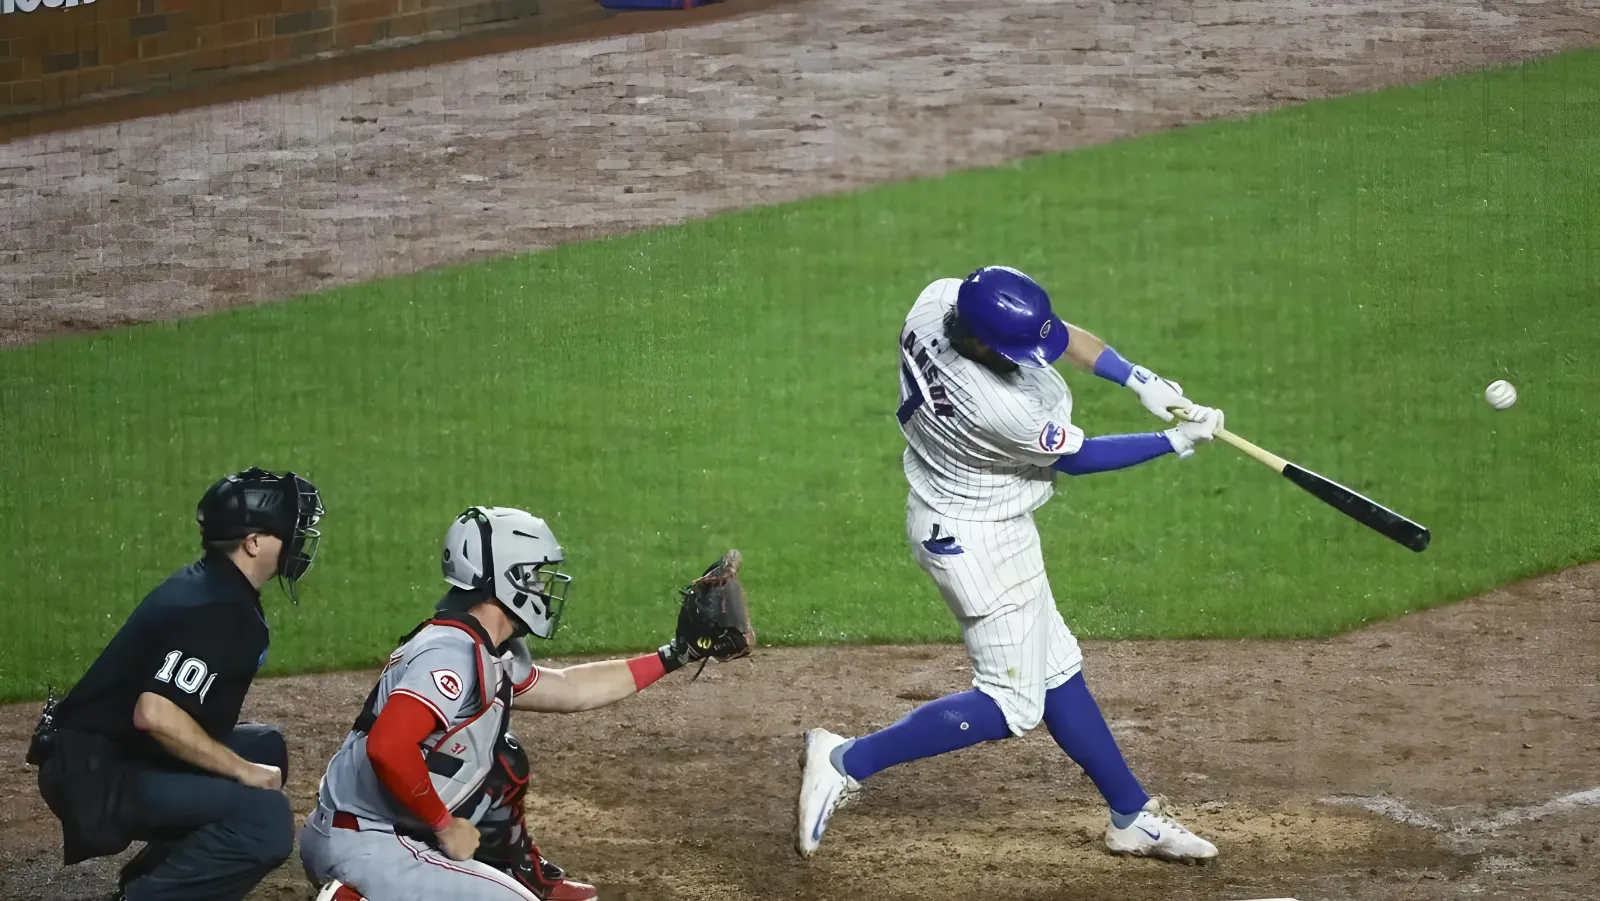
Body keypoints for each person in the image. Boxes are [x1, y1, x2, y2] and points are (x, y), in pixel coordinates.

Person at [795, 266, 1225, 862]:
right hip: (975, 542)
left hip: (978, 516)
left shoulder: (937, 300)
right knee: (1011, 703)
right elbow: (1076, 458)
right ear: (977, 343)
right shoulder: (997, 408)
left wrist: (1138, 378)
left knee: (1056, 671)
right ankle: (845, 761)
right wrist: (1172, 441)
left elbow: (1053, 333)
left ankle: (1130, 815)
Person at [303, 505, 750, 901]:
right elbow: (388, 746)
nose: (543, 588)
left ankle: (502, 868)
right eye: (534, 575)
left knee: (503, 758)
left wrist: (675, 655)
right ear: (506, 579)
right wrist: (443, 824)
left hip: (373, 831)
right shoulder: (451, 653)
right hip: (369, 841)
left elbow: (571, 690)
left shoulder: (484, 648)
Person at [26, 466, 326, 901]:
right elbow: (155, 714)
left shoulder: (214, 584)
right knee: (264, 819)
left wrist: (248, 764)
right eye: (289, 530)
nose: (299, 540)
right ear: (254, 542)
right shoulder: (220, 609)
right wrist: (242, 771)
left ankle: (151, 885)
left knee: (265, 747)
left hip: (104, 754)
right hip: (95, 775)